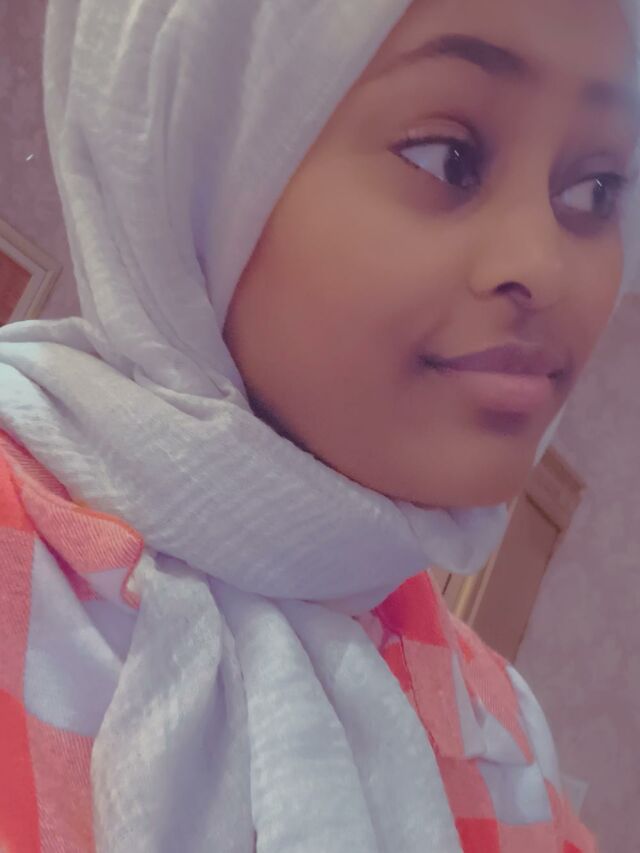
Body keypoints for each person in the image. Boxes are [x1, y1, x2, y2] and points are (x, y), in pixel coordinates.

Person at [0, 0, 638, 850]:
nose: (545, 265)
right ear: (196, 154)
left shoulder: (502, 734)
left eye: (596, 189)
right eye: (448, 156)